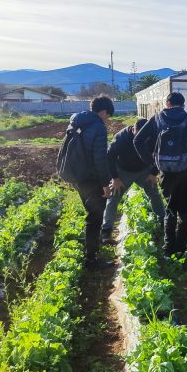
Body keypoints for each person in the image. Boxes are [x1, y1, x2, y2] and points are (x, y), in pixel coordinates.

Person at [134, 92, 187, 257]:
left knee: (170, 209)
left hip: (166, 172)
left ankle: (168, 249)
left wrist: (152, 162)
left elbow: (137, 140)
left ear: (167, 104)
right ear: (183, 105)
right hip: (185, 171)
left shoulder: (157, 118)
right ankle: (181, 249)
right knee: (186, 211)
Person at [100, 118, 166, 243]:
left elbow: (159, 153)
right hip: (124, 171)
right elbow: (110, 157)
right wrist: (115, 178)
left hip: (144, 170)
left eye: (144, 136)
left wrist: (153, 173)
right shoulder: (121, 138)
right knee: (114, 198)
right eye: (138, 135)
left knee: (154, 194)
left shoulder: (152, 135)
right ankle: (106, 232)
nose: (142, 138)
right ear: (133, 129)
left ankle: (163, 222)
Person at [68, 95, 114, 269]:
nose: (107, 119)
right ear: (103, 111)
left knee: (91, 215)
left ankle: (90, 251)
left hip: (78, 176)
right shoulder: (98, 127)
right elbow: (100, 159)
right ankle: (91, 259)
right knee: (94, 218)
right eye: (107, 115)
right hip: (91, 178)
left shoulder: (77, 121)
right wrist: (105, 185)